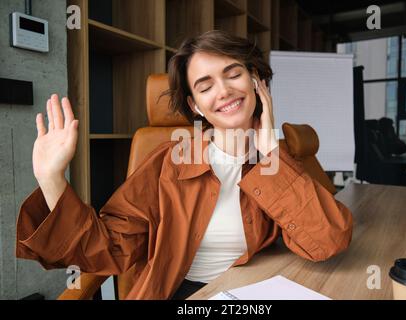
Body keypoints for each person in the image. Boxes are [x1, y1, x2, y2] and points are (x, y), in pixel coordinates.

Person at [16, 30, 353, 300]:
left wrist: (269, 153)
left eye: (233, 74)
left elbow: (327, 242)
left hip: (252, 288)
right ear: (196, 107)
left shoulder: (281, 156)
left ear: (257, 82)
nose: (223, 91)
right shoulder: (168, 162)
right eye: (205, 87)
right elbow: (110, 249)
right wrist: (52, 178)